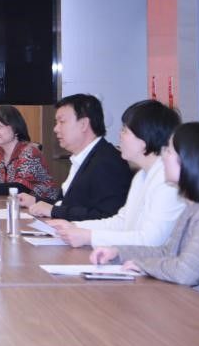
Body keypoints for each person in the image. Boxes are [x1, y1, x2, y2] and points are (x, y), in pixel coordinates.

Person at [91, 122, 199, 296]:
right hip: (179, 298)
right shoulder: (196, 205)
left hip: (198, 307)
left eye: (168, 151)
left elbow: (185, 272)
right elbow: (167, 252)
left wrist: (142, 265)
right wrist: (118, 252)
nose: (162, 157)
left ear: (190, 160)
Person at [49, 100, 185, 247]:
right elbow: (122, 222)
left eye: (125, 130)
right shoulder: (142, 176)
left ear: (144, 138)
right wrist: (74, 226)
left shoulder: (167, 181)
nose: (120, 135)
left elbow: (150, 241)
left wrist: (89, 237)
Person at [19, 94, 132, 220]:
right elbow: (69, 204)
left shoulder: (107, 162)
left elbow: (107, 216)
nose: (56, 129)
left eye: (62, 122)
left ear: (83, 124)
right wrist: (35, 201)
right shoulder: (83, 157)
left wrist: (53, 211)